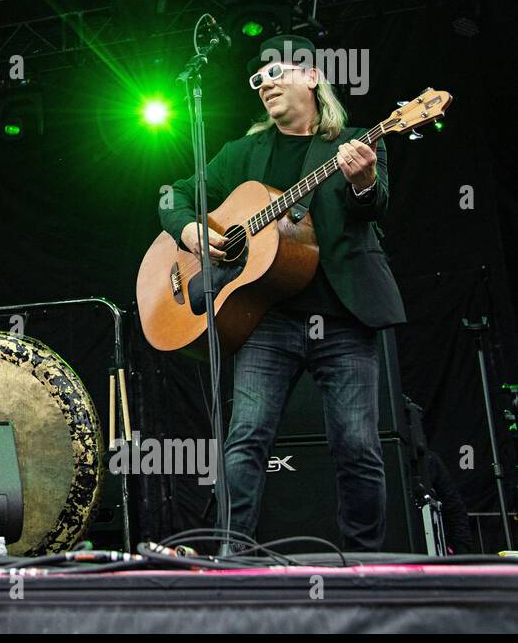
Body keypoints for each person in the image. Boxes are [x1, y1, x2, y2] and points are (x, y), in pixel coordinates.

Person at [158, 35, 406, 551]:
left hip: (343, 314)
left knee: (358, 445)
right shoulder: (242, 153)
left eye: (277, 73)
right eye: (258, 80)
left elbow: (374, 209)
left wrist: (363, 182)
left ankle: (362, 566)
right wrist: (191, 233)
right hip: (265, 317)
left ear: (312, 78)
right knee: (245, 440)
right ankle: (233, 556)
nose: (266, 84)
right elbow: (173, 195)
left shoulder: (357, 142)